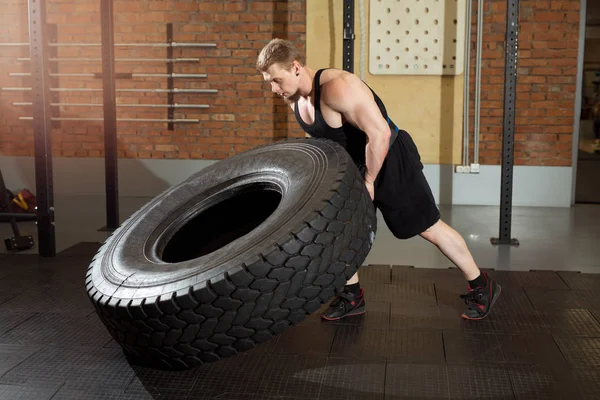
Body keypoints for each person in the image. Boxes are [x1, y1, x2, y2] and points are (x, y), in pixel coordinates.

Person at [256, 38, 501, 321]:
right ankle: (351, 295)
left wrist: (370, 180)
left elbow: (380, 134)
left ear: (296, 67)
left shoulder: (338, 87)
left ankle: (482, 285)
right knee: (340, 230)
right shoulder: (295, 99)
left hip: (390, 160)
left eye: (276, 80)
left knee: (428, 227)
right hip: (356, 166)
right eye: (269, 82)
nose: (273, 89)